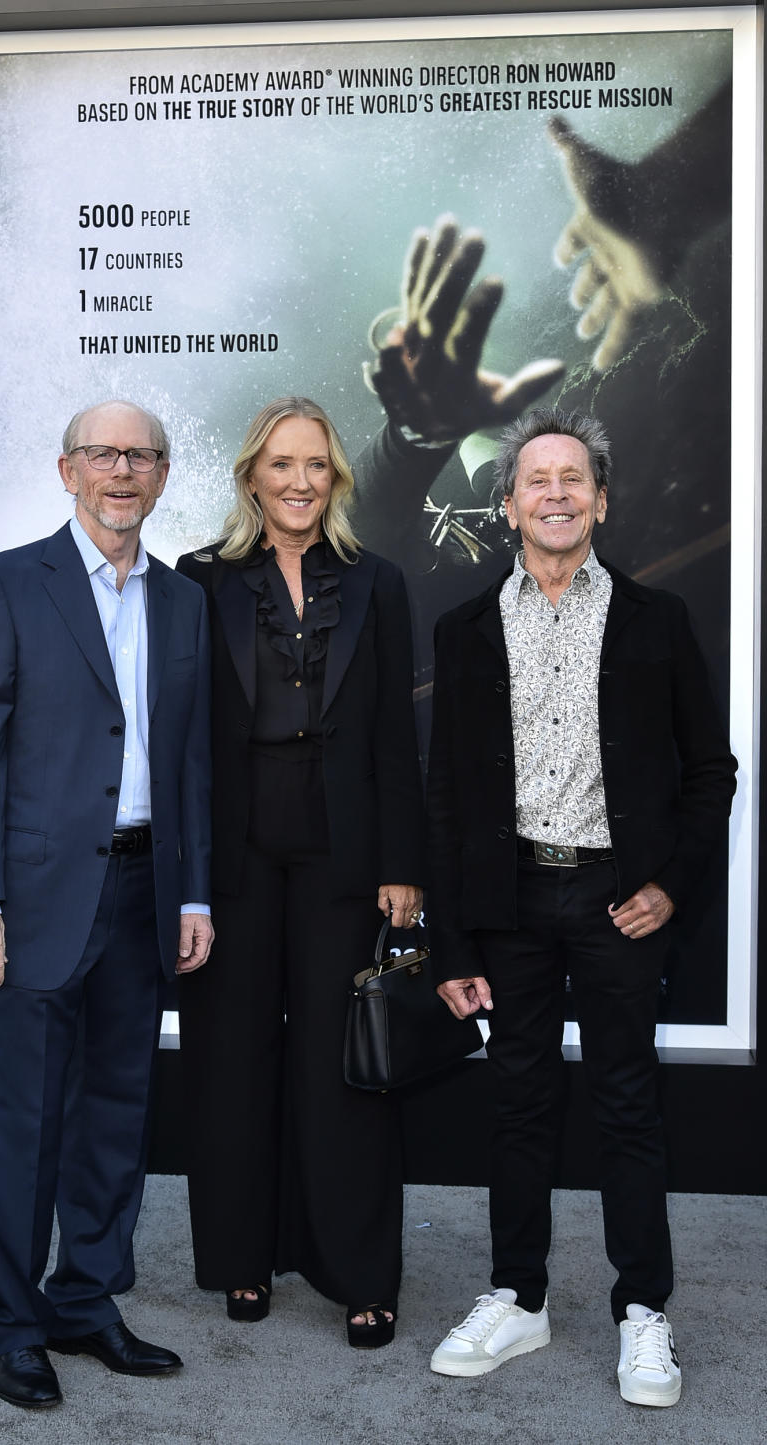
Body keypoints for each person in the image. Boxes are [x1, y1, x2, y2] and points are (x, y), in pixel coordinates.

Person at [424, 406, 736, 1406]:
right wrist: (454, 939)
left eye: (573, 478)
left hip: (616, 900)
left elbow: (709, 772)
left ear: (602, 500)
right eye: (535, 479)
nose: (554, 493)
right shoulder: (464, 630)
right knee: (517, 1104)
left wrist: (668, 883)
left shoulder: (659, 620)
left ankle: (644, 1309)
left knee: (626, 1103)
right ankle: (518, 1295)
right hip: (508, 897)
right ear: (508, 504)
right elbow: (446, 798)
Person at [0, 400, 213, 1409]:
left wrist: (193, 889)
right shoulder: (5, 583)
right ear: (67, 470)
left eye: (142, 454)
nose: (123, 470)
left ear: (163, 473)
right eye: (103, 453)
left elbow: (191, 762)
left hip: (145, 892)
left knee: (115, 1113)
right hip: (28, 900)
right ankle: (10, 1324)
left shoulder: (184, 604)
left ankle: (84, 1297)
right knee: (17, 1120)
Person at [175, 397, 425, 1348]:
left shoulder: (378, 583)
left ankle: (361, 1271)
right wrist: (188, 874)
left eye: (315, 464)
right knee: (232, 1063)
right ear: (251, 476)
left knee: (346, 1070)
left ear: (337, 478)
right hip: (233, 854)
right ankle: (243, 1259)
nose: (298, 480)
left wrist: (404, 862)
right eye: (280, 464)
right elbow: (181, 741)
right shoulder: (200, 581)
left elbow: (398, 738)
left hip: (346, 855)